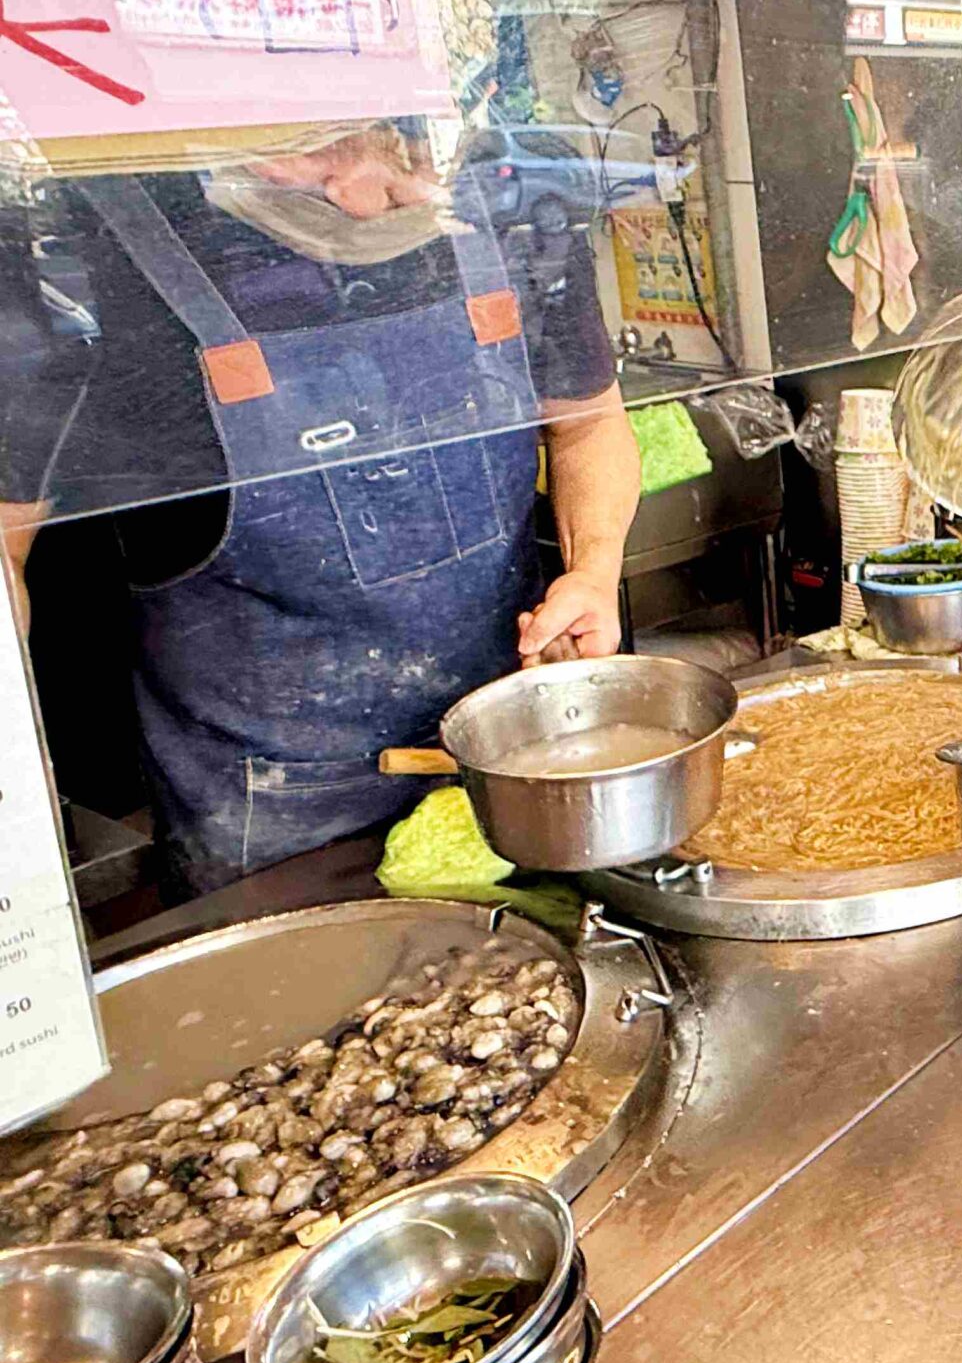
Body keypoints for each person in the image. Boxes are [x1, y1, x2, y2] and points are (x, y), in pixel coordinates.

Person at [2, 122, 637, 893]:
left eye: (398, 146)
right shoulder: (86, 250)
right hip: (276, 825)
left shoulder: (493, 205)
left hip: (511, 763)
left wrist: (593, 570)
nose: (366, 189)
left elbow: (588, 424)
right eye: (318, 149)